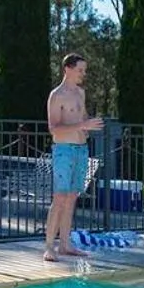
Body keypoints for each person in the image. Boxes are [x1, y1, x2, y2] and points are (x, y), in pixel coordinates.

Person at [43, 53, 104, 261]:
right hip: (64, 150)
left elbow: (82, 116)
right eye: (80, 70)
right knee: (59, 197)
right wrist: (82, 126)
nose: (83, 74)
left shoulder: (80, 93)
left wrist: (89, 125)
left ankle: (65, 244)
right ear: (67, 69)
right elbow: (54, 129)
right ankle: (49, 246)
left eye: (84, 70)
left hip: (81, 149)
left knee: (71, 198)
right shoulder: (56, 95)